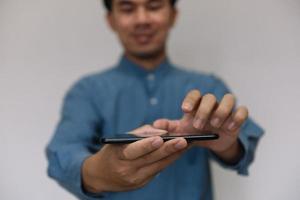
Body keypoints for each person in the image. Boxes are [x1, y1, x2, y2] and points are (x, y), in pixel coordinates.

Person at [46, 0, 264, 199]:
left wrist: (228, 145)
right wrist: (96, 173)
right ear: (111, 20)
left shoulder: (208, 87)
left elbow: (245, 147)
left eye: (154, 6)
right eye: (127, 8)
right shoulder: (87, 90)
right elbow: (63, 152)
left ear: (173, 15)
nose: (142, 20)